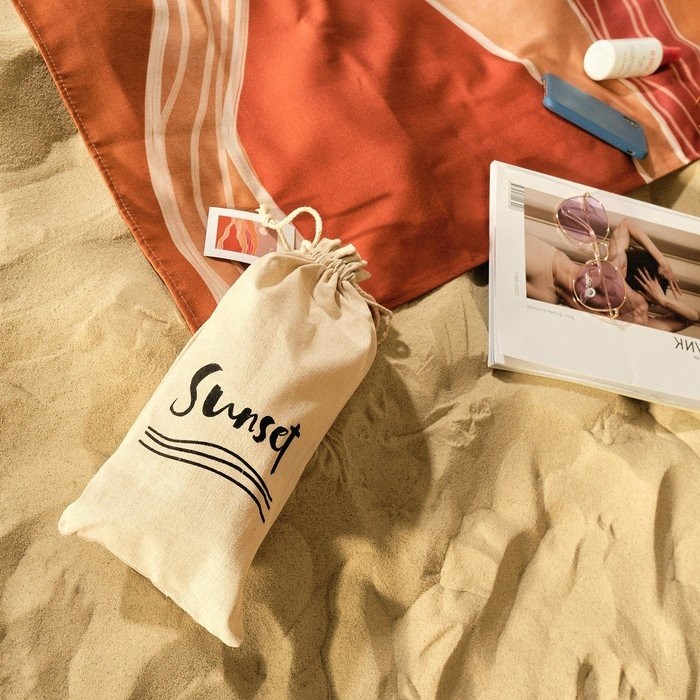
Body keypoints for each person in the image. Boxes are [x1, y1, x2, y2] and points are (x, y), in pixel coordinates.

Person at [525, 217, 699, 332]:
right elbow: (692, 318)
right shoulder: (640, 320)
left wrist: (662, 261)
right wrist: (664, 301)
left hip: (548, 264)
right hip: (549, 297)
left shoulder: (618, 265)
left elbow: (626, 225)